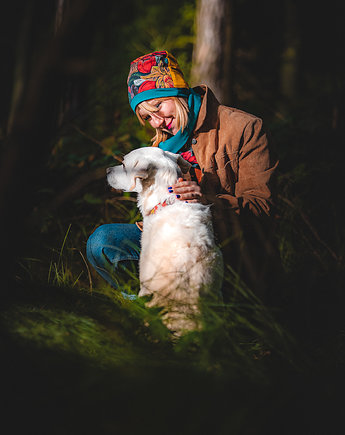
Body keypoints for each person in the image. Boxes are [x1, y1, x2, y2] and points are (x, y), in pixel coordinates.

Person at [86, 50, 279, 301]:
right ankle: (153, 312)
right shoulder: (158, 151)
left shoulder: (244, 128)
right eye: (146, 116)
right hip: (174, 245)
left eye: (157, 105)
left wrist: (208, 201)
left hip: (233, 250)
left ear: (178, 92)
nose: (156, 122)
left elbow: (263, 207)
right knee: (102, 242)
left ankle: (221, 309)